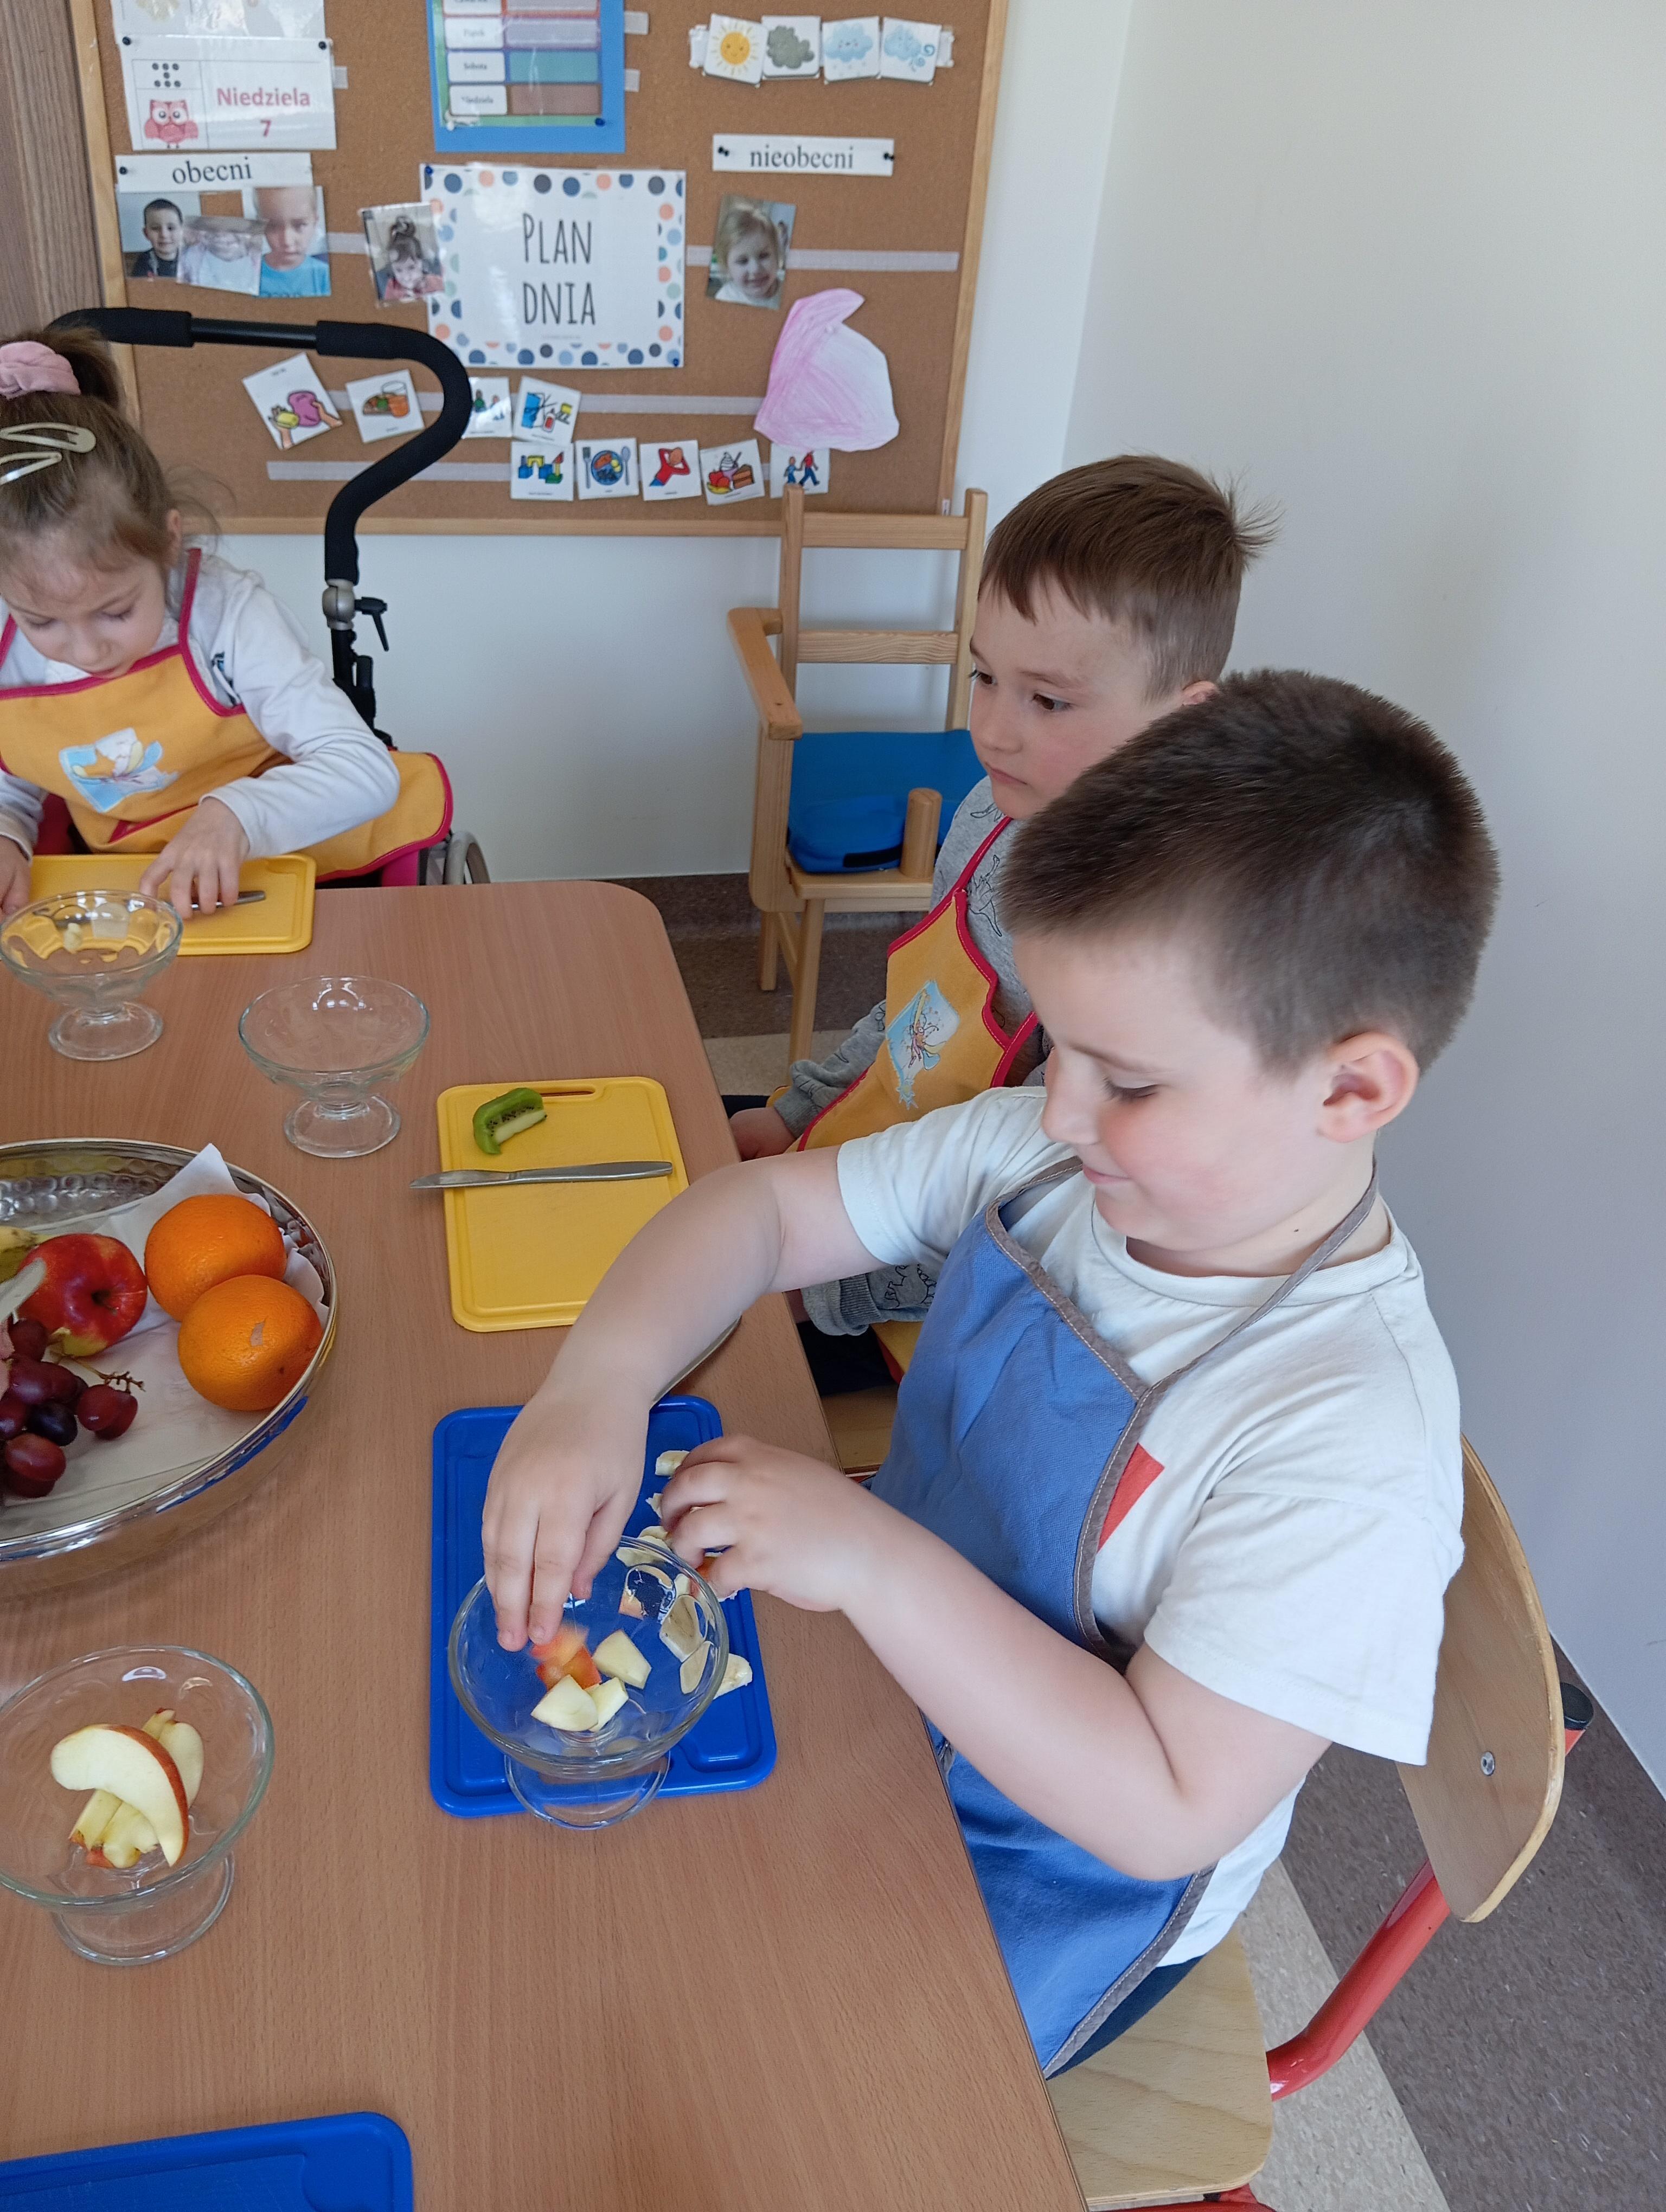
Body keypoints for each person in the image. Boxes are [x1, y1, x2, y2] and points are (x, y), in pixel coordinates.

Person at [480, 672, 1497, 2074]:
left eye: (1126, 1081)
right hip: (887, 1681)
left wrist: (869, 1559)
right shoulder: (1047, 1154)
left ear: (1351, 1089)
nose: (1057, 1108)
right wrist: (596, 1384)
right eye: (1060, 1049)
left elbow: (1164, 1802)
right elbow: (761, 1212)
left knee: (715, 2070)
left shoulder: (1349, 1443)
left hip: (1054, 1871)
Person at [730, 456, 1274, 1393]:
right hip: (872, 1171)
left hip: (947, 1311)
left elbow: (1039, 1222)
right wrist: (796, 1111)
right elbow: (915, 1014)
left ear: (1183, 723)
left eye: (1048, 700)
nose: (993, 729)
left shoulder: (1147, 964)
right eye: (985, 676)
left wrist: (823, 1290)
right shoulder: (989, 808)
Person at [0, 328, 448, 916]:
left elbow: (362, 770)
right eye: (41, 622)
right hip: (129, 884)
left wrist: (239, 813)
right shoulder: (10, 648)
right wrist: (7, 831)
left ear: (168, 541)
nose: (85, 651)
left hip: (285, 863)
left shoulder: (228, 617)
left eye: (116, 611)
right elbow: (15, 776)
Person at [708, 198, 786, 307]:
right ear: (727, 266)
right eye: (743, 261)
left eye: (763, 256)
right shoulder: (726, 298)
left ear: (777, 255)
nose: (756, 269)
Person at [254, 185, 330, 299]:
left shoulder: (324, 275)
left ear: (315, 222)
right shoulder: (249, 274)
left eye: (299, 225)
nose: (287, 241)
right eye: (273, 226)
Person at [179, 215, 262, 294]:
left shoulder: (259, 258)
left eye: (234, 229)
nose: (220, 234)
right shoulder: (189, 257)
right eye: (210, 228)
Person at [376, 216, 443, 303]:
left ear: (422, 262)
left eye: (411, 267)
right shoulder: (391, 287)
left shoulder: (436, 282)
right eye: (399, 270)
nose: (406, 277)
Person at [127, 199, 183, 281]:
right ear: (146, 233)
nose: (164, 235)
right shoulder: (144, 262)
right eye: (155, 228)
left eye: (171, 228)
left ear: (182, 231)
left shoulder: (191, 258)